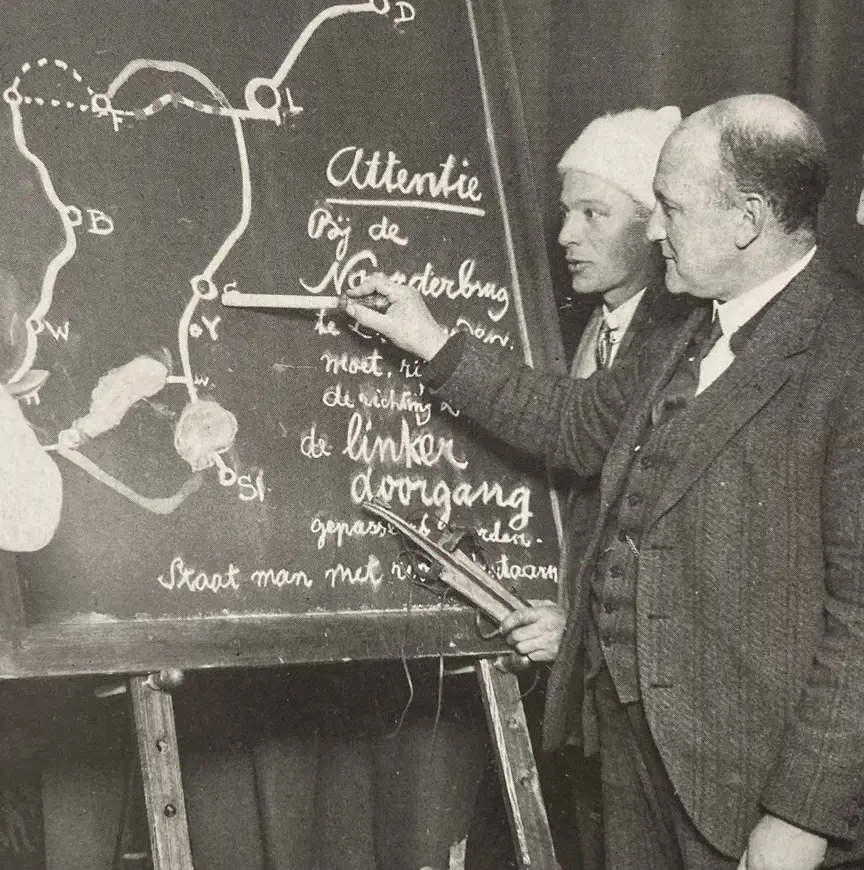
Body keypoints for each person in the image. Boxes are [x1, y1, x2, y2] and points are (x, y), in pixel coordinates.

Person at [346, 93, 864, 870]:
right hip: (629, 763)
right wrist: (429, 339)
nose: (653, 231)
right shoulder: (685, 325)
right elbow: (572, 425)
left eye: (670, 208)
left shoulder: (846, 353)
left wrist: (799, 816)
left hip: (747, 797)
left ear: (748, 219)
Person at [466, 104, 691, 870]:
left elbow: (583, 438)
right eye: (566, 214)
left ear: (656, 222)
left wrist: (582, 628)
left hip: (625, 698)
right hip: (560, 674)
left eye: (594, 213)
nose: (566, 236)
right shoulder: (585, 329)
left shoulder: (676, 347)